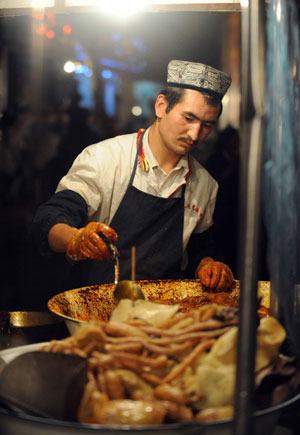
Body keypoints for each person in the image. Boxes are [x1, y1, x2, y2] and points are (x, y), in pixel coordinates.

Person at [30, 60, 232, 291]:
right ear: (161, 106)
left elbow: (197, 248)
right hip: (95, 308)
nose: (195, 134)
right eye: (188, 118)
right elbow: (50, 219)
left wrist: (208, 265)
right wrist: (75, 238)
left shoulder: (204, 184)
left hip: (164, 313)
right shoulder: (105, 158)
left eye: (207, 125)